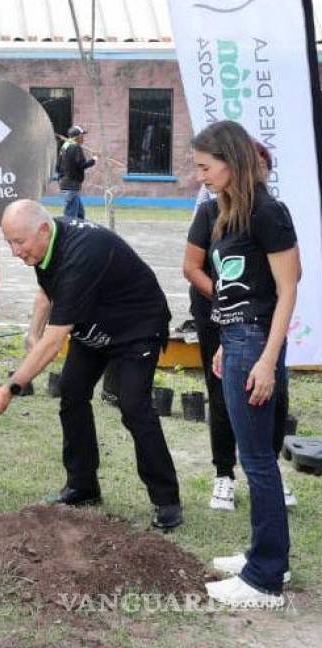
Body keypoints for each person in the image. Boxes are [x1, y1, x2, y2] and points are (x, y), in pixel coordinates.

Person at [0, 199, 183, 531]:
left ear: (42, 230)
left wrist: (10, 388)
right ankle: (82, 486)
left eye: (19, 242)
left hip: (137, 326)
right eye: (10, 242)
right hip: (93, 323)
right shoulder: (45, 242)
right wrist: (32, 331)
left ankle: (167, 500)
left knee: (134, 406)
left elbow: (55, 339)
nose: (15, 251)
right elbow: (47, 293)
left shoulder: (81, 254)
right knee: (72, 391)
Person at [188, 120, 297, 608]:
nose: (201, 177)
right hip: (238, 338)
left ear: (232, 161)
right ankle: (265, 554)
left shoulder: (269, 212)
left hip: (257, 342)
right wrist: (226, 342)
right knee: (254, 457)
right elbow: (238, 287)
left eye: (206, 167)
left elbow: (288, 288)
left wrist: (267, 359)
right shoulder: (228, 214)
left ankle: (265, 578)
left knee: (255, 458)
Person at [56, 125, 97, 219]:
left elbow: (58, 167)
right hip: (72, 185)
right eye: (82, 135)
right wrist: (94, 159)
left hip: (65, 183)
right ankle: (68, 233)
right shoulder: (75, 147)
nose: (83, 138)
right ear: (77, 136)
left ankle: (81, 231)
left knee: (80, 214)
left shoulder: (64, 147)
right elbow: (81, 165)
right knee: (70, 215)